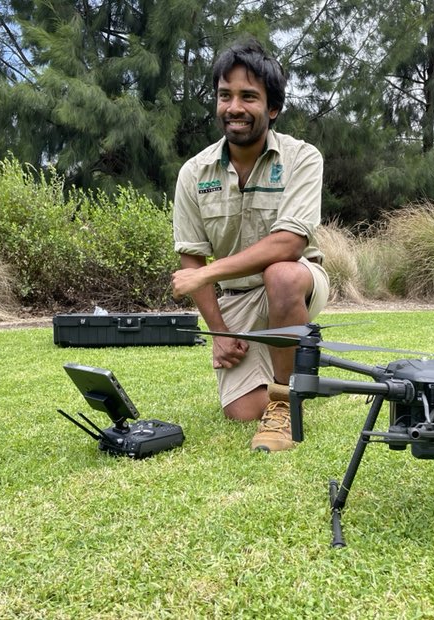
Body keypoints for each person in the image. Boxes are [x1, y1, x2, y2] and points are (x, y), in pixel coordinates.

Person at [171, 40, 330, 452]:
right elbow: (191, 256)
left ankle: (285, 399)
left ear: (272, 108)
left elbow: (289, 243)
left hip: (297, 281)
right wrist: (220, 334)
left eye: (248, 97)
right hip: (236, 297)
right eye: (225, 95)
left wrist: (207, 272)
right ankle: (300, 366)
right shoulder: (193, 172)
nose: (234, 107)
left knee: (281, 275)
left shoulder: (303, 158)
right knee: (241, 411)